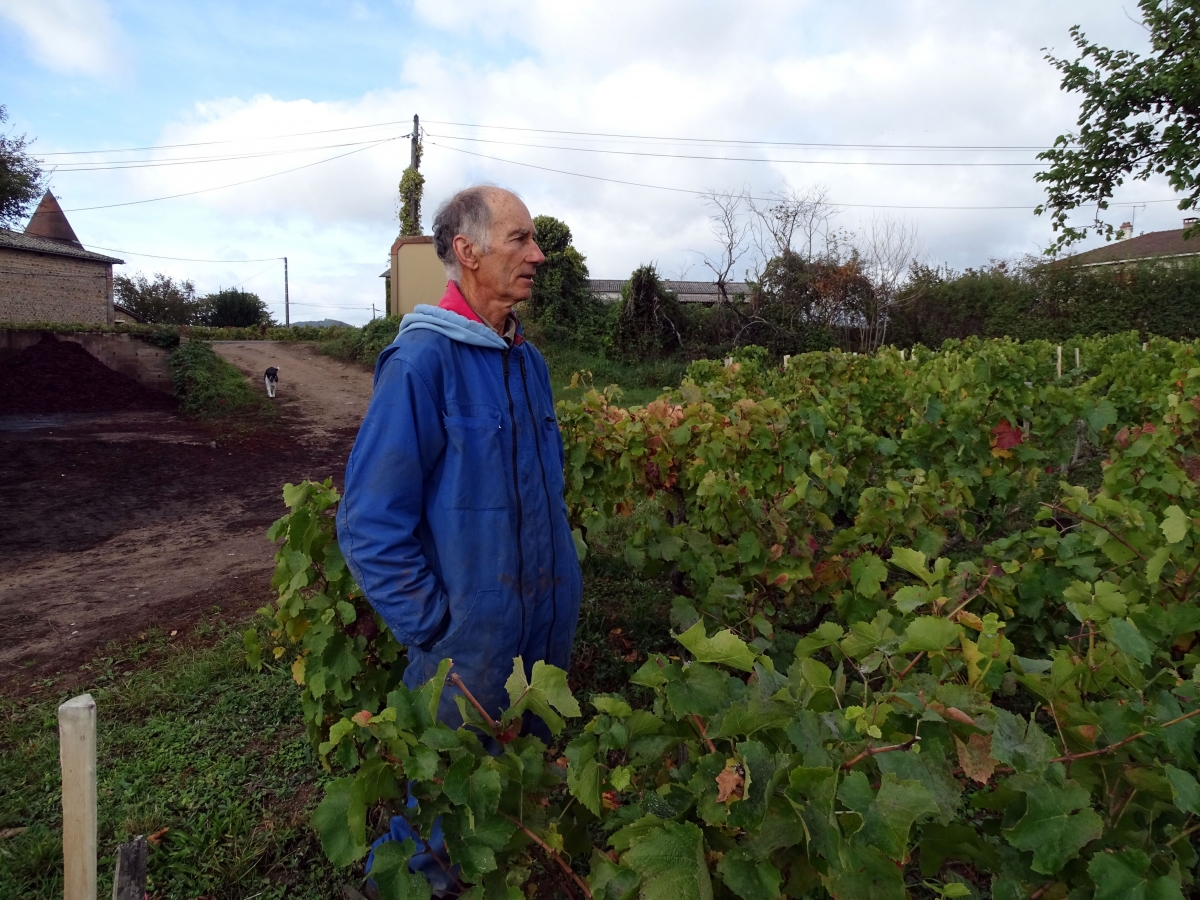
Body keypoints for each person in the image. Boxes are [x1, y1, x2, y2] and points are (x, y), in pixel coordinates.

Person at [336, 186, 583, 893]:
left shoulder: (526, 362)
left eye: (535, 241)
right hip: (467, 649)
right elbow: (369, 522)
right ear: (468, 252)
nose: (538, 254)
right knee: (443, 809)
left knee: (513, 801)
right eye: (520, 239)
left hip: (542, 636)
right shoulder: (423, 363)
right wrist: (438, 627)